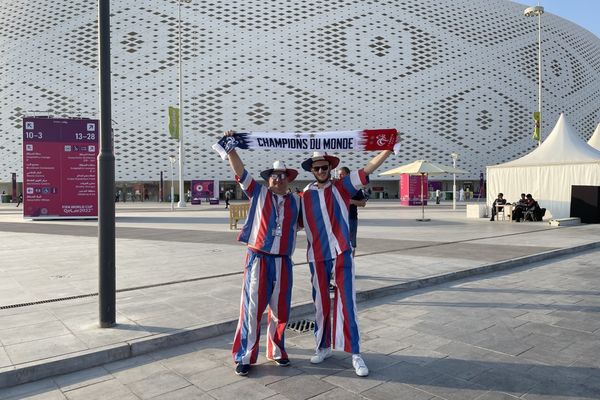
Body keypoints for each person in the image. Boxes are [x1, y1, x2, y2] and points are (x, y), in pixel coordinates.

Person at [300, 145, 396, 378]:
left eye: (325, 167)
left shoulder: (343, 187)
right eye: (317, 168)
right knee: (320, 303)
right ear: (312, 170)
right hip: (317, 255)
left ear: (331, 168)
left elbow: (368, 168)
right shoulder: (305, 194)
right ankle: (322, 346)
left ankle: (355, 353)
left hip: (341, 251)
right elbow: (293, 220)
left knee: (347, 303)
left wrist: (388, 149)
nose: (321, 171)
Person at [222, 131, 302, 377]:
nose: (278, 179)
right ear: (268, 180)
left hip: (283, 262)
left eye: (282, 175)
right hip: (259, 259)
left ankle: (277, 350)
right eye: (273, 176)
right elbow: (240, 171)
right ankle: (245, 355)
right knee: (252, 308)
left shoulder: (297, 201)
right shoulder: (258, 192)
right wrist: (231, 147)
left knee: (281, 310)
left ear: (288, 178)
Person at [338, 167, 367, 257]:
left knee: (351, 243)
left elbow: (363, 203)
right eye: (339, 174)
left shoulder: (356, 188)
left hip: (351, 218)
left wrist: (351, 201)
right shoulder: (337, 187)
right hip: (338, 219)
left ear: (348, 175)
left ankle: (351, 263)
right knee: (338, 243)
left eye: (342, 174)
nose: (340, 176)